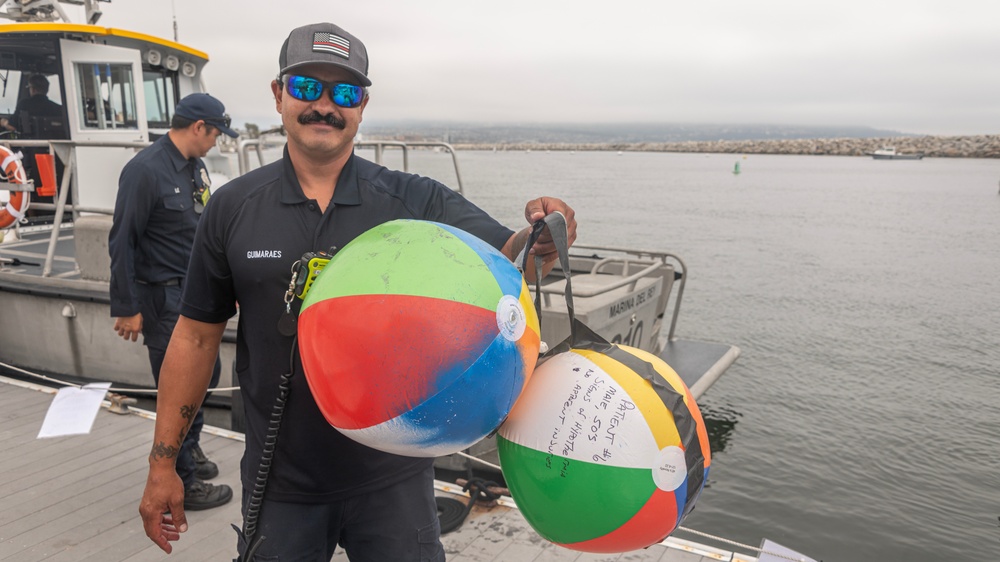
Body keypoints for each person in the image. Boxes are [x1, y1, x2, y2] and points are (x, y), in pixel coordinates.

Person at [137, 22, 577, 560]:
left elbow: (511, 259)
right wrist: (163, 464)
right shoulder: (232, 208)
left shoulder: (413, 200)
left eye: (344, 92)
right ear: (278, 95)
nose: (325, 105)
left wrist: (546, 237)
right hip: (281, 481)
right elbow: (196, 338)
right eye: (306, 88)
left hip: (394, 476)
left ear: (362, 105)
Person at [110, 93, 239, 512]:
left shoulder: (193, 168)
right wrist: (127, 306)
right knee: (178, 387)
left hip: (193, 293)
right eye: (216, 133)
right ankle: (182, 481)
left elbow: (199, 232)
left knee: (207, 375)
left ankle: (192, 450)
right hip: (162, 295)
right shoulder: (144, 171)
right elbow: (122, 240)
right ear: (199, 127)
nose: (217, 141)